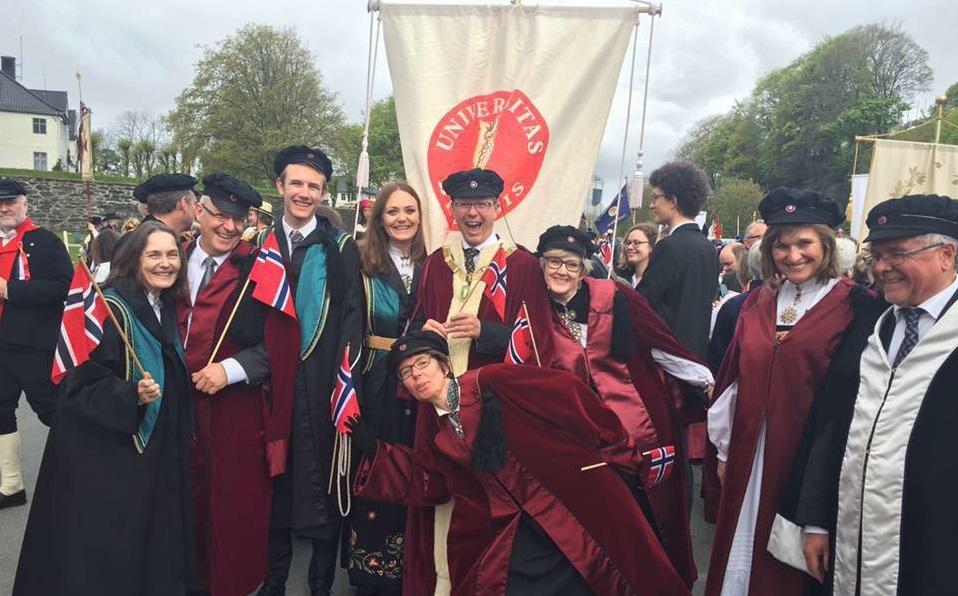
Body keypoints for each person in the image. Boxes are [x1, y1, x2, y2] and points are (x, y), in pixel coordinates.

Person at [349, 331, 690, 596]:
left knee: (611, 575)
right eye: (406, 373)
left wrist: (615, 446)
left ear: (444, 365)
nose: (416, 375)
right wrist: (374, 450)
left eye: (422, 363)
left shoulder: (491, 381)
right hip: (517, 526)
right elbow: (431, 482)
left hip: (567, 502)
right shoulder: (438, 433)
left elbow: (567, 393)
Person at [772, 194, 958, 595]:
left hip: (935, 545)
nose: (881, 268)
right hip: (850, 537)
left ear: (946, 255)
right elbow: (831, 427)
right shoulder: (871, 326)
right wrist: (816, 521)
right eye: (876, 255)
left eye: (897, 254)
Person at [14, 222, 197, 595]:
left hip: (151, 452)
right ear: (134, 259)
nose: (165, 263)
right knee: (110, 552)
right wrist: (131, 395)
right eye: (154, 255)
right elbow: (76, 385)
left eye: (172, 254)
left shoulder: (161, 304)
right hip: (107, 460)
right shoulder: (109, 308)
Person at [536, 225, 714, 587]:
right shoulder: (535, 311)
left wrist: (707, 384)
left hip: (637, 429)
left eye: (571, 264)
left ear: (584, 269)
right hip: (580, 442)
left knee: (649, 516)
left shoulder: (614, 298)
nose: (561, 271)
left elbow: (660, 344)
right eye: (553, 262)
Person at [704, 188, 860, 596]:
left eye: (804, 243)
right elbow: (733, 380)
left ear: (826, 245)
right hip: (747, 454)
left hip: (805, 462)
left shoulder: (855, 306)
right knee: (739, 551)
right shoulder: (757, 301)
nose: (793, 256)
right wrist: (724, 450)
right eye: (782, 246)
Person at [407, 167, 555, 592]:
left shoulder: (521, 265)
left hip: (491, 406)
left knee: (489, 500)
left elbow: (539, 340)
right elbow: (414, 325)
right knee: (442, 498)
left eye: (483, 205)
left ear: (497, 207)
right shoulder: (437, 263)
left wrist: (486, 333)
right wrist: (422, 333)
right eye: (465, 205)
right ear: (452, 208)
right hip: (439, 404)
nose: (473, 214)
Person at [177, 173, 294, 596]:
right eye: (220, 216)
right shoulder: (169, 259)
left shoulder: (260, 268)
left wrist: (231, 369)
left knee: (233, 507)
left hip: (234, 411)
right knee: (176, 501)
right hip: (173, 408)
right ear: (199, 211)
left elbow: (282, 342)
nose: (229, 227)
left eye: (238, 219)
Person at [258, 146, 365, 596]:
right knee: (274, 483)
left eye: (313, 186)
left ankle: (320, 583)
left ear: (323, 193)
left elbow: (353, 319)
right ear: (280, 186)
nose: (304, 193)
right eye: (296, 184)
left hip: (322, 383)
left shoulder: (339, 247)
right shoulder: (260, 245)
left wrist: (343, 385)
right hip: (270, 383)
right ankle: (274, 580)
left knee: (323, 484)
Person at [347, 181, 427, 595]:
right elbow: (350, 330)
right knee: (377, 471)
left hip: (420, 385)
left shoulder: (435, 263)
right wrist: (352, 396)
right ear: (379, 218)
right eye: (393, 211)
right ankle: (372, 573)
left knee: (416, 471)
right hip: (375, 382)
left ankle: (412, 569)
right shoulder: (362, 262)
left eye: (409, 210)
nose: (402, 218)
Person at [0, 178, 72, 509]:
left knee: (51, 409)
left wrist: (10, 290)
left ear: (25, 204)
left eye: (11, 201)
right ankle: (11, 485)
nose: (5, 208)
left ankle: (83, 474)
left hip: (33, 343)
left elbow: (63, 287)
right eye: (0, 203)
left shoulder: (45, 241)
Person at [638, 161, 720, 359]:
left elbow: (641, 305)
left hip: (667, 358)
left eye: (656, 198)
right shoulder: (709, 248)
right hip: (696, 357)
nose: (651, 205)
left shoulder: (668, 247)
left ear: (673, 201)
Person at [133, 173, 198, 236]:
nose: (197, 209)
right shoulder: (160, 239)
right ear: (183, 204)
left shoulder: (142, 234)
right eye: (194, 204)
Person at [615, 222, 657, 287]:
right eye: (628, 242)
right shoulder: (619, 278)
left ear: (651, 246)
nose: (629, 247)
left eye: (636, 243)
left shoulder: (659, 280)